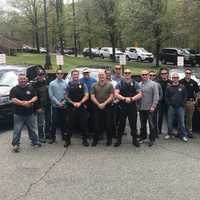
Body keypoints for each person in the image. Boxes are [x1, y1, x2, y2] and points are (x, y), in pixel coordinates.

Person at [10, 73, 41, 153]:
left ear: (26, 80)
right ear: (18, 80)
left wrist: (29, 102)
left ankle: (35, 142)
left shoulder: (31, 88)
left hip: (30, 113)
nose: (23, 80)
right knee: (17, 130)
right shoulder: (14, 89)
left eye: (24, 79)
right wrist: (23, 103)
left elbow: (35, 97)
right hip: (18, 114)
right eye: (21, 79)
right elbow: (13, 99)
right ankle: (16, 144)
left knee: (33, 129)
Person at [114, 69, 142, 147]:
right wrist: (124, 98)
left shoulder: (135, 83)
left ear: (131, 74)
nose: (127, 74)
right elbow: (116, 94)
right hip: (122, 106)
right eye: (126, 73)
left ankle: (134, 140)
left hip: (132, 106)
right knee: (121, 124)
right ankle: (119, 140)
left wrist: (131, 99)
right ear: (124, 74)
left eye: (128, 73)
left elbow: (140, 94)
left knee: (133, 124)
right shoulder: (120, 83)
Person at [64, 69, 89, 147]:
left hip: (81, 107)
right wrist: (72, 103)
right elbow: (65, 95)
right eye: (74, 74)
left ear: (79, 75)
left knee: (83, 125)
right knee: (69, 125)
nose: (75, 76)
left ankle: (85, 140)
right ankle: (68, 141)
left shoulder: (83, 84)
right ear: (72, 76)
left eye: (76, 74)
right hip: (72, 107)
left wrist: (80, 102)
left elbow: (86, 95)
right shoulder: (69, 84)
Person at [91, 70, 114, 146]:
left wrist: (104, 103)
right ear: (98, 76)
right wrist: (98, 104)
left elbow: (111, 96)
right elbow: (92, 96)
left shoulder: (110, 85)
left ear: (105, 76)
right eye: (100, 75)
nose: (101, 76)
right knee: (96, 124)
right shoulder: (94, 85)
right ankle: (95, 140)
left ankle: (109, 140)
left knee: (108, 124)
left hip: (107, 106)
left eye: (103, 75)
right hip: (97, 106)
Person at [138, 70, 159, 147]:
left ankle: (152, 139)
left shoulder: (153, 84)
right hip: (141, 108)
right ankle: (142, 137)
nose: (144, 76)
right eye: (143, 74)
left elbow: (156, 96)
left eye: (146, 74)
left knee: (151, 125)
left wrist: (153, 106)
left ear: (148, 75)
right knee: (142, 124)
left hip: (150, 109)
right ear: (141, 76)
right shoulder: (139, 84)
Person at [165, 73, 188, 142]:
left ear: (178, 78)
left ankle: (183, 135)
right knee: (170, 121)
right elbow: (166, 97)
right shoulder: (169, 87)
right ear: (172, 79)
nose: (175, 79)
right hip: (171, 107)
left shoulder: (182, 87)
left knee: (182, 122)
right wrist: (169, 104)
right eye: (174, 77)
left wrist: (182, 104)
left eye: (177, 77)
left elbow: (185, 96)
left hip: (180, 107)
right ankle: (169, 134)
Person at [32, 69, 51, 143]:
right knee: (40, 123)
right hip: (40, 106)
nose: (41, 76)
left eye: (42, 74)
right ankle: (41, 136)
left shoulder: (47, 82)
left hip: (48, 105)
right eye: (39, 74)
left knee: (48, 121)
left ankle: (47, 134)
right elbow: (34, 97)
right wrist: (37, 107)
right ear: (37, 75)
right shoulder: (34, 84)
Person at [48, 69, 67, 144]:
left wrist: (63, 102)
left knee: (63, 122)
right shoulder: (52, 83)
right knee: (54, 122)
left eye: (61, 73)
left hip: (63, 106)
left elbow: (67, 94)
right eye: (58, 73)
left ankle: (64, 136)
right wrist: (58, 103)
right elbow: (51, 95)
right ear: (56, 74)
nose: (60, 75)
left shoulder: (66, 83)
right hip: (55, 106)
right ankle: (52, 137)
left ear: (63, 75)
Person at [179, 68, 199, 138]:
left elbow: (197, 93)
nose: (188, 74)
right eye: (186, 73)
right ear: (185, 73)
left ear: (191, 74)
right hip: (182, 102)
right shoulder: (180, 82)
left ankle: (189, 132)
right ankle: (180, 132)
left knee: (189, 118)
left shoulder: (194, 82)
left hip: (190, 102)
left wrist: (195, 101)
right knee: (181, 117)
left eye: (189, 73)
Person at [80, 68, 97, 135]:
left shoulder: (94, 80)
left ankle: (91, 130)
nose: (86, 74)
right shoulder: (80, 81)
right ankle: (84, 131)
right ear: (82, 73)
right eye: (85, 73)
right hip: (83, 100)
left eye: (87, 72)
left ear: (89, 73)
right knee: (84, 117)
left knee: (93, 116)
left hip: (92, 100)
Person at [157, 67, 172, 135]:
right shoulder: (158, 83)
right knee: (160, 117)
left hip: (169, 103)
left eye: (165, 73)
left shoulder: (171, 82)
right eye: (162, 73)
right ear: (160, 74)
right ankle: (159, 130)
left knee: (169, 117)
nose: (164, 75)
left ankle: (170, 131)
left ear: (167, 74)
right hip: (161, 103)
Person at [149, 70, 163, 138]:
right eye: (150, 75)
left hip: (155, 105)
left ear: (155, 76)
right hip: (147, 105)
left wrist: (156, 102)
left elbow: (161, 95)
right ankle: (149, 133)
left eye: (153, 75)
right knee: (148, 120)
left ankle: (155, 133)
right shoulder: (145, 83)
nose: (152, 76)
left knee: (154, 119)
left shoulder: (158, 84)